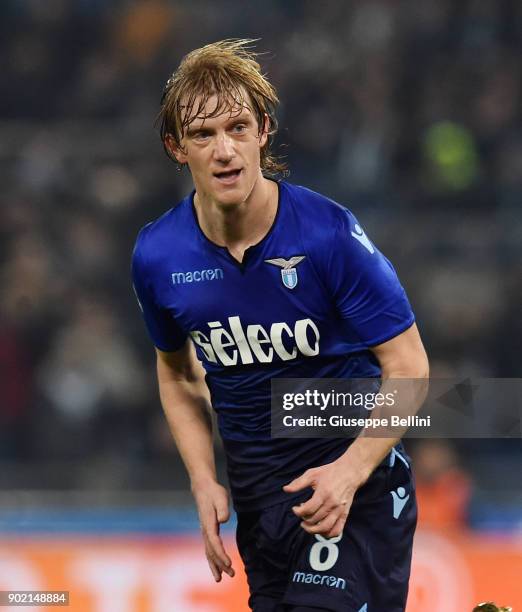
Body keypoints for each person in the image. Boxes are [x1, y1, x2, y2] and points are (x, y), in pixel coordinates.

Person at [132, 39, 429, 612]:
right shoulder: (157, 256)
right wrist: (202, 478)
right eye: (202, 135)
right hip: (261, 507)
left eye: (238, 127)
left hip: (355, 493)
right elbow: (177, 375)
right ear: (176, 147)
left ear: (264, 130)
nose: (224, 150)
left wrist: (349, 472)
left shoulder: (328, 235)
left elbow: (410, 367)